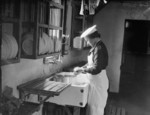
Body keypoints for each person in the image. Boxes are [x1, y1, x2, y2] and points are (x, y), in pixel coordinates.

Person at [73, 25, 109, 115]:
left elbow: (96, 68)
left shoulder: (98, 49)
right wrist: (82, 68)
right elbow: (91, 64)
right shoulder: (96, 46)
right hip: (95, 82)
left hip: (98, 83)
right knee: (92, 107)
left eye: (88, 40)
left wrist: (82, 70)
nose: (88, 43)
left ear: (94, 38)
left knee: (96, 109)